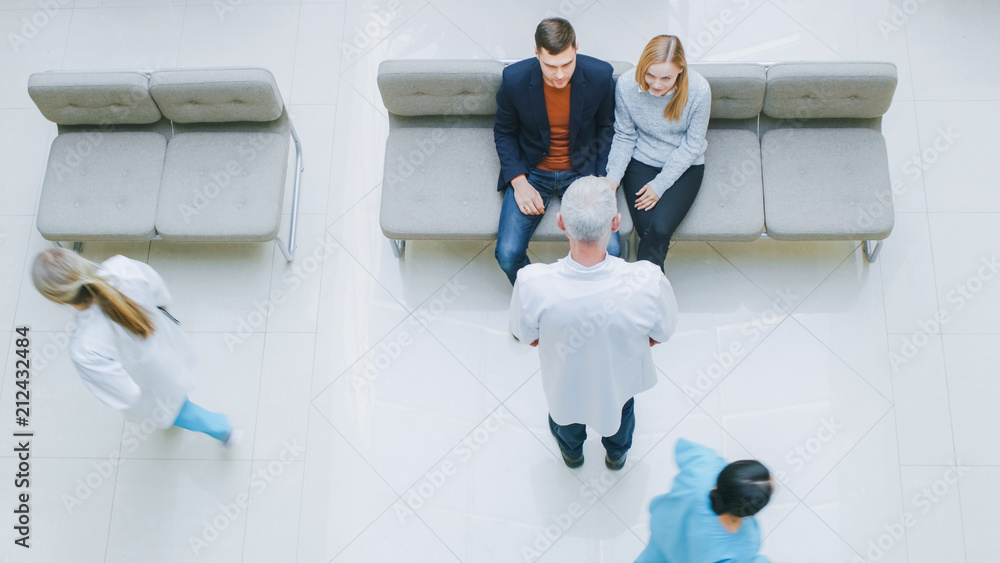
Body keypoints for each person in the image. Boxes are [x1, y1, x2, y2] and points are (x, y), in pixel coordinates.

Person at [509, 176, 677, 470]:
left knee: (566, 422)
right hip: (619, 382)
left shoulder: (531, 282)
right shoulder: (648, 279)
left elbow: (526, 336)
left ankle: (572, 457)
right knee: (621, 418)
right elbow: (662, 333)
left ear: (561, 223)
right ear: (616, 223)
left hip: (564, 383)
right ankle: (616, 456)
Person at [31, 248, 240, 446]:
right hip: (169, 346)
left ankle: (224, 430)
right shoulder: (122, 268)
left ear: (58, 300)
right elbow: (161, 297)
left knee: (179, 411)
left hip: (153, 386)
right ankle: (193, 408)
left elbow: (125, 395)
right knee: (177, 388)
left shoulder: (84, 347)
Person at [494, 17, 620, 285]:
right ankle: (541, 294)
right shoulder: (514, 79)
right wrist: (518, 182)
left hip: (582, 171)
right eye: (550, 66)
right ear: (536, 53)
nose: (560, 74)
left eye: (566, 64)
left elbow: (607, 127)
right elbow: (504, 132)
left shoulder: (599, 75)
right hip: (532, 172)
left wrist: (600, 175)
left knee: (613, 251)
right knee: (507, 254)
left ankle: (588, 297)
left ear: (576, 49)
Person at [605, 35, 710, 269]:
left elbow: (692, 145)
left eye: (666, 78)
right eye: (650, 74)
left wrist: (660, 184)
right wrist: (613, 179)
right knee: (648, 230)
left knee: (660, 230)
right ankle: (651, 287)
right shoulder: (626, 85)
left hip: (686, 165)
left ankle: (639, 284)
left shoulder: (699, 90)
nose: (656, 84)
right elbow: (624, 135)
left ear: (681, 71)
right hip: (642, 160)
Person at [636, 439, 773, 563]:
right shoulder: (741, 548)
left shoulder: (704, 466)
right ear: (751, 514)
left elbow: (683, 446)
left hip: (661, 543)